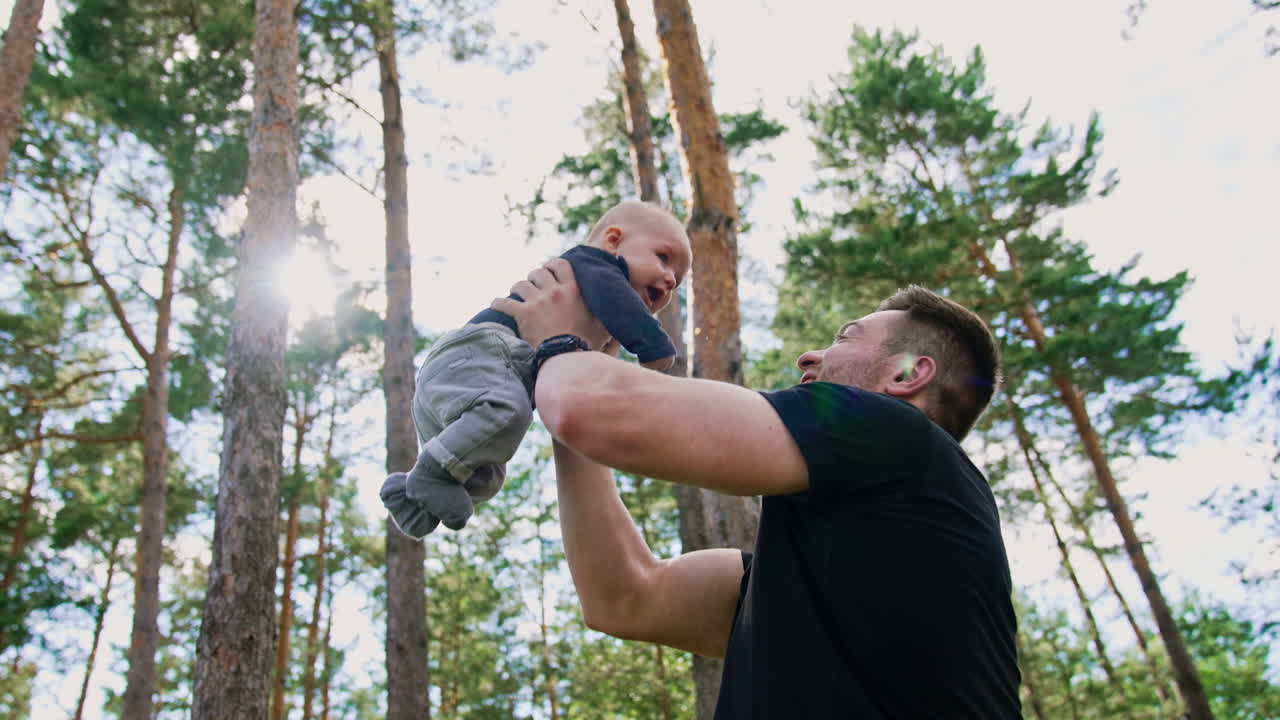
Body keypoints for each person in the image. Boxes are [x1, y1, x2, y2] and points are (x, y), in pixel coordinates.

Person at [491, 269, 1023, 719]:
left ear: (907, 375)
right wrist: (572, 360)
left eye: (845, 336)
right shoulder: (799, 571)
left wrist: (557, 343)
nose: (808, 356)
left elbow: (587, 410)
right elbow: (624, 598)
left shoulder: (900, 435)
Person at [381, 200, 692, 538]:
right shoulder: (596, 266)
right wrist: (654, 347)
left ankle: (412, 498)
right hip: (478, 354)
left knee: (488, 470)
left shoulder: (601, 316)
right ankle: (432, 474)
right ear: (613, 241)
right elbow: (624, 309)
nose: (671, 279)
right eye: (663, 257)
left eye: (679, 278)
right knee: (508, 412)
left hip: (465, 381)